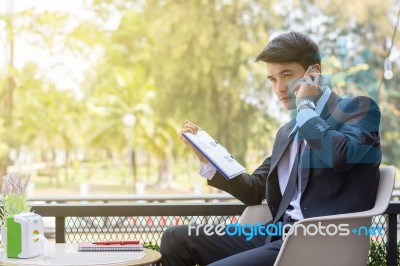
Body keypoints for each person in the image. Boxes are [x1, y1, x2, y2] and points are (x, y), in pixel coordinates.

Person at [159, 32, 381, 266]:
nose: (279, 87)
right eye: (272, 79)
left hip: (318, 243)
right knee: (176, 238)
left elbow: (340, 155)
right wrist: (208, 160)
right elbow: (253, 190)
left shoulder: (358, 108)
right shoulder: (287, 132)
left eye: (286, 75)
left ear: (313, 74)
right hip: (275, 234)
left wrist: (305, 108)